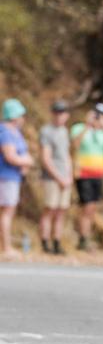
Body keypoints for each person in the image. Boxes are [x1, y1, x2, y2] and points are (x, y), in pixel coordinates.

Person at [70, 103, 103, 251]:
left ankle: (86, 237)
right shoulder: (79, 128)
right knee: (87, 206)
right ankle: (83, 238)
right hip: (84, 173)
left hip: (99, 174)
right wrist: (87, 126)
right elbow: (75, 145)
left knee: (92, 208)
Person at [0, 98, 34, 259]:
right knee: (6, 212)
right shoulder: (5, 132)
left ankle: (6, 245)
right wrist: (26, 161)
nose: (23, 118)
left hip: (13, 177)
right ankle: (6, 247)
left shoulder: (15, 132)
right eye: (20, 115)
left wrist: (26, 162)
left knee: (8, 212)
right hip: (5, 177)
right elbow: (10, 156)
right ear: (14, 116)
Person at [39, 100, 73, 255]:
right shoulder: (47, 131)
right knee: (50, 210)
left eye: (63, 113)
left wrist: (70, 175)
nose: (60, 116)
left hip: (65, 177)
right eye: (58, 112)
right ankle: (45, 243)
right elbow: (46, 158)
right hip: (52, 177)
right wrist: (59, 177)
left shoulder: (65, 131)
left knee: (61, 211)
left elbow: (67, 156)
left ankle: (57, 242)